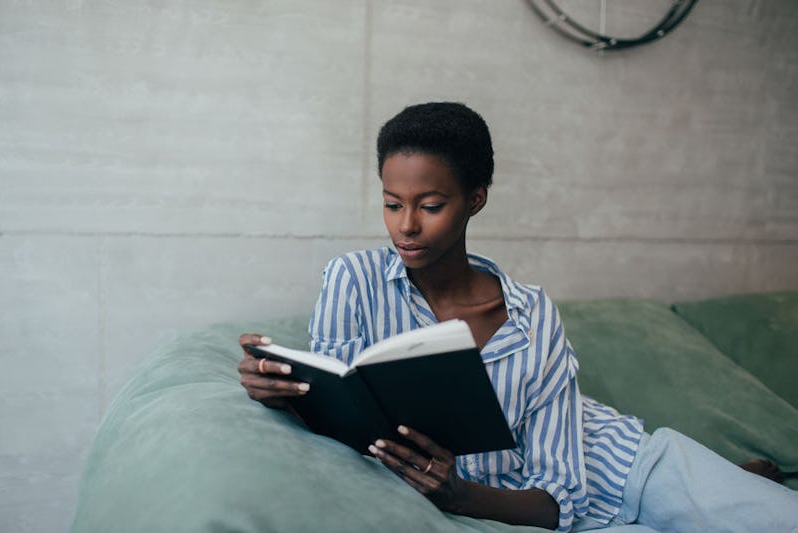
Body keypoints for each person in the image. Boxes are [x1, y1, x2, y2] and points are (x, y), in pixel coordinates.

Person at [238, 102, 797, 532]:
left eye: (430, 206)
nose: (406, 225)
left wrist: (461, 497)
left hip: (623, 468)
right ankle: (723, 487)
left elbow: (561, 498)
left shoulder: (531, 313)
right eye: (391, 203)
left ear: (475, 199)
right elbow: (343, 410)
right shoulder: (352, 281)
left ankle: (718, 484)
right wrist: (284, 390)